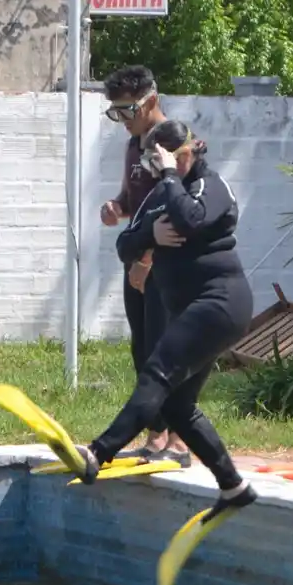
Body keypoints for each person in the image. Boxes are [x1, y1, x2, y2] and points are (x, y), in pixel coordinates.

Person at [74, 119, 257, 513]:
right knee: (176, 405)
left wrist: (172, 176)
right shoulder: (161, 194)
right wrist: (150, 236)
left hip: (220, 302)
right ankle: (233, 487)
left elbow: (191, 217)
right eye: (157, 164)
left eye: (173, 159)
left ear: (193, 150)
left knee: (156, 373)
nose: (164, 169)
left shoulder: (211, 186)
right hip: (192, 310)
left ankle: (98, 453)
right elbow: (125, 245)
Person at [97, 65, 189, 465]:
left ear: (151, 101)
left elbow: (175, 208)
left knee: (167, 352)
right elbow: (132, 199)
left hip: (166, 266)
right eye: (114, 112)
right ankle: (157, 433)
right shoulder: (134, 145)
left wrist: (148, 260)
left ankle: (181, 441)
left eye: (127, 110)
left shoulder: (174, 143)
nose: (122, 119)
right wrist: (115, 208)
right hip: (138, 262)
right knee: (143, 350)